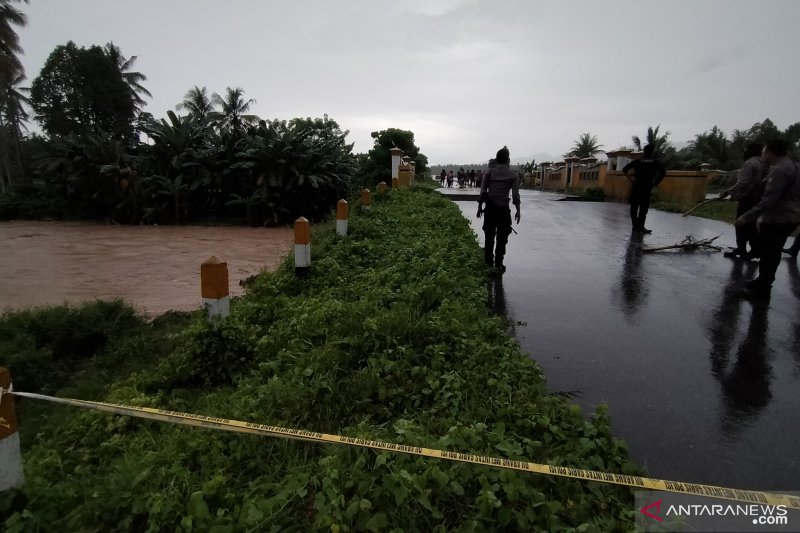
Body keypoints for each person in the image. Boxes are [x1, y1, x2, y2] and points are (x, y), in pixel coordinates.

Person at [736, 139, 800, 299]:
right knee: (772, 252)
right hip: (791, 216)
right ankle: (762, 281)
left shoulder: (779, 171)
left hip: (777, 219)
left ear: (770, 152)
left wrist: (746, 216)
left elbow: (768, 200)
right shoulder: (794, 166)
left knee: (770, 254)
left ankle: (763, 289)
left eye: (764, 150)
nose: (762, 153)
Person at [477, 147, 521, 273]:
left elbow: (483, 192)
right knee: (502, 237)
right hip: (503, 210)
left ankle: (488, 264)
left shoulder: (489, 173)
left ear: (496, 159)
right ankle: (499, 264)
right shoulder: (513, 175)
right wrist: (518, 210)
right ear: (508, 160)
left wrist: (480, 207)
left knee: (489, 236)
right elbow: (515, 195)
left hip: (490, 209)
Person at [720, 143, 765, 259]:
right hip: (758, 198)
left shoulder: (749, 164)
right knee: (751, 224)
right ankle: (752, 249)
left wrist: (728, 192)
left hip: (747, 198)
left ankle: (746, 248)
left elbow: (743, 183)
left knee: (741, 223)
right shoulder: (763, 163)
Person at [622, 144, 666, 233]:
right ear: (652, 152)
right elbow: (663, 172)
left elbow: (624, 169)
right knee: (643, 208)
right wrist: (655, 183)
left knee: (634, 207)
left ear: (644, 152)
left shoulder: (638, 161)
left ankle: (635, 226)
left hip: (637, 186)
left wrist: (631, 179)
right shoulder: (655, 162)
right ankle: (641, 226)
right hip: (647, 187)